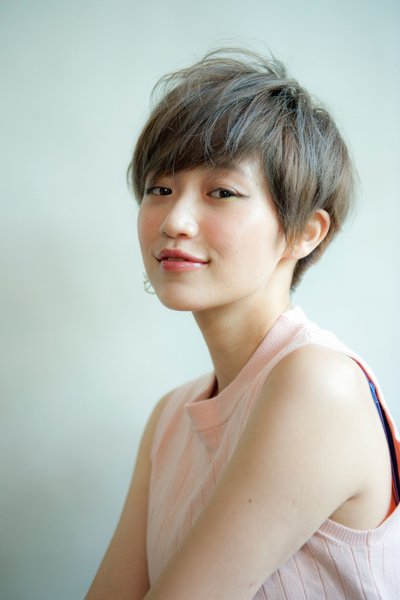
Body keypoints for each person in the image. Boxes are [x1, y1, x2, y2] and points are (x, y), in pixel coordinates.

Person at [85, 48, 400, 600]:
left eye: (222, 193)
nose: (175, 220)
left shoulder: (320, 384)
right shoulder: (169, 417)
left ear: (304, 232)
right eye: (160, 189)